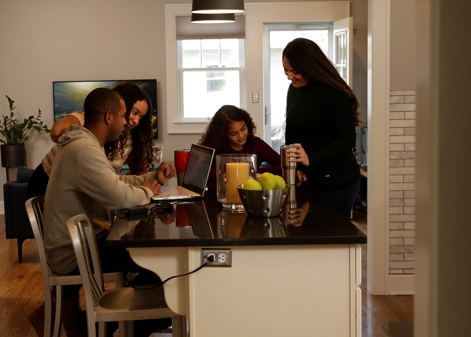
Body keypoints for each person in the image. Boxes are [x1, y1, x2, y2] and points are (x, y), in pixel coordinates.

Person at [42, 87, 175, 336]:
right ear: (109, 117)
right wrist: (148, 192)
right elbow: (118, 197)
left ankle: (116, 324)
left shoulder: (87, 144)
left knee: (156, 263)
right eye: (125, 116)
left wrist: (150, 179)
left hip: (83, 243)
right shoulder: (83, 150)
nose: (128, 123)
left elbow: (114, 184)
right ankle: (106, 325)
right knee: (163, 268)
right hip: (75, 252)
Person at [27, 82, 156, 199]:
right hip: (48, 180)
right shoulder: (92, 121)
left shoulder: (129, 138)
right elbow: (56, 132)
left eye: (141, 117)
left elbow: (137, 171)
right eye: (134, 112)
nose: (136, 120)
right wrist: (85, 138)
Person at [282, 38, 362, 219]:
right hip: (309, 179)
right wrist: (295, 167)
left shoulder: (331, 93)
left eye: (294, 71)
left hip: (338, 182)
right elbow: (291, 130)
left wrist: (311, 159)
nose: (289, 76)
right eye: (286, 70)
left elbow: (347, 139)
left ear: (310, 66)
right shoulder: (294, 90)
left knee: (333, 239)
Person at [199, 105, 281, 180]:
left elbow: (281, 165)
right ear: (223, 134)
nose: (241, 136)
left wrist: (250, 171)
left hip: (250, 192)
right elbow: (198, 171)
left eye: (243, 129)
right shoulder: (213, 145)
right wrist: (223, 174)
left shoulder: (257, 144)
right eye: (233, 134)